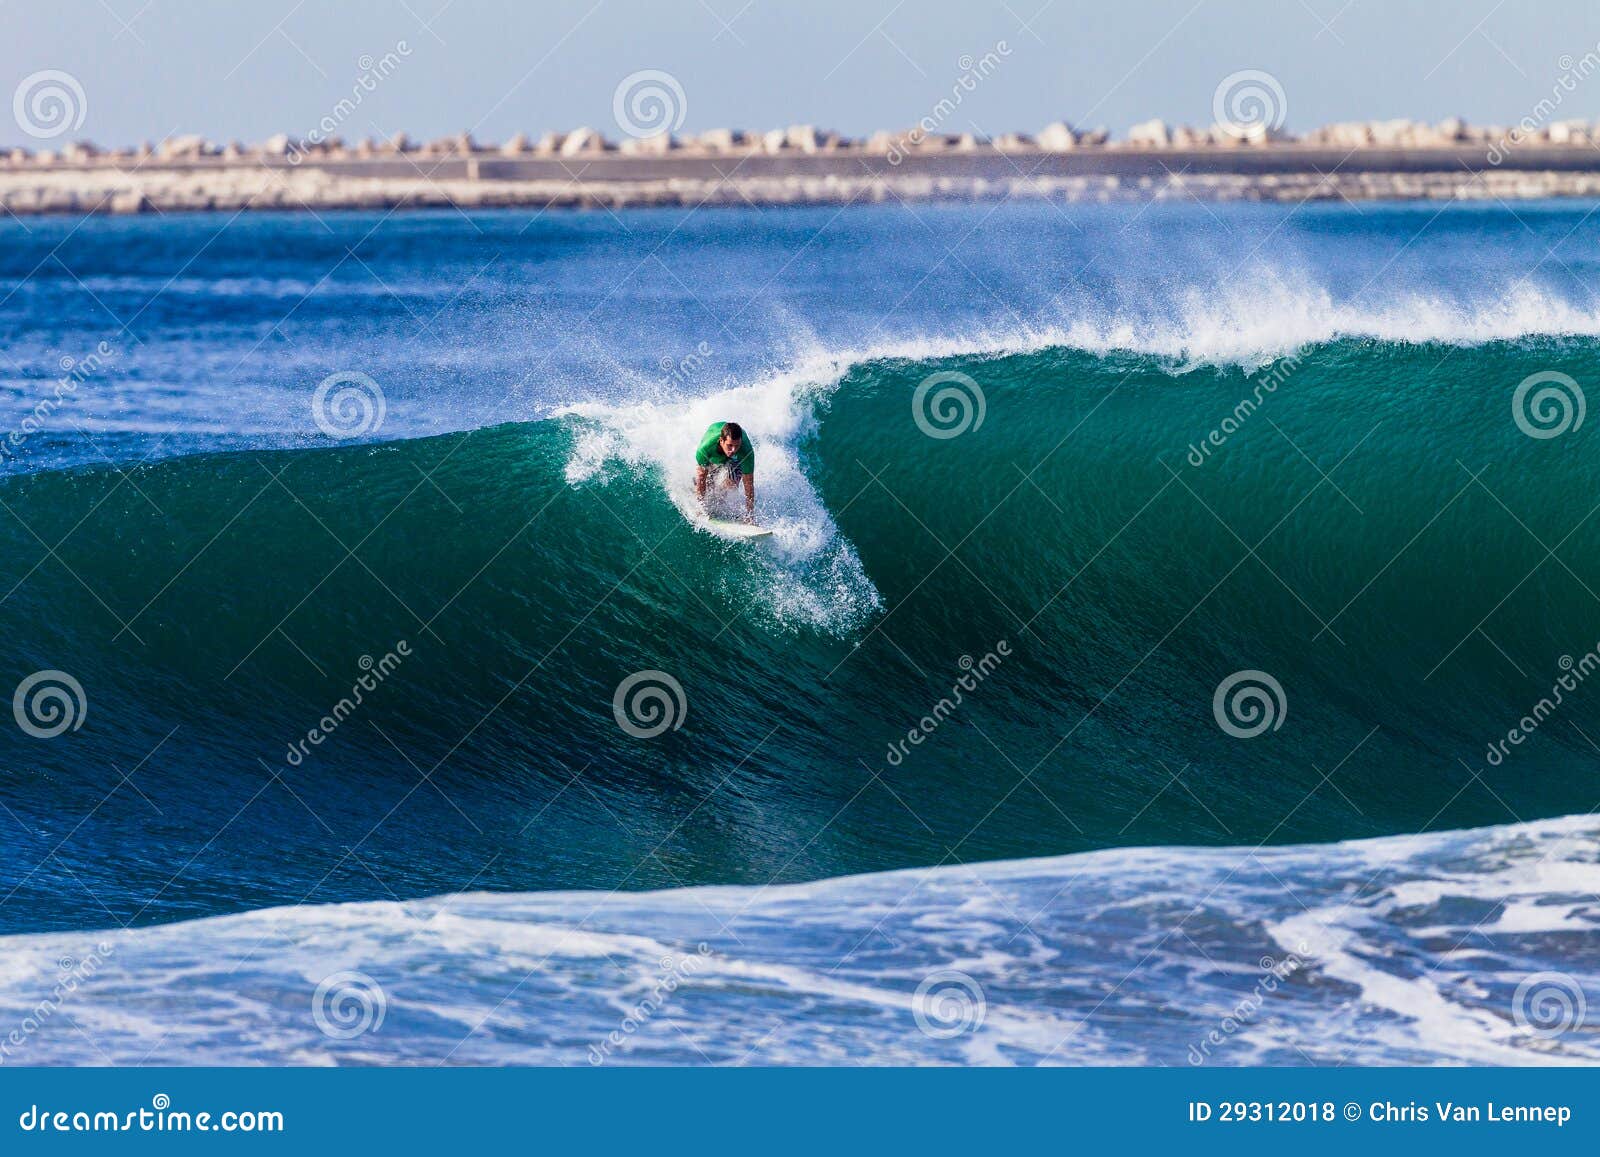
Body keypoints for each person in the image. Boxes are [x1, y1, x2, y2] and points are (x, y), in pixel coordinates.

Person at [694, 420, 755, 521]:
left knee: (731, 484)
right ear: (721, 440)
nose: (733, 450)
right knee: (706, 482)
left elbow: (749, 484)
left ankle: (719, 501)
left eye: (737, 446)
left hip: (734, 460)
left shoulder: (746, 451)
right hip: (713, 455)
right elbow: (702, 478)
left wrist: (750, 515)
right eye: (730, 445)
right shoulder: (705, 449)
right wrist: (700, 509)